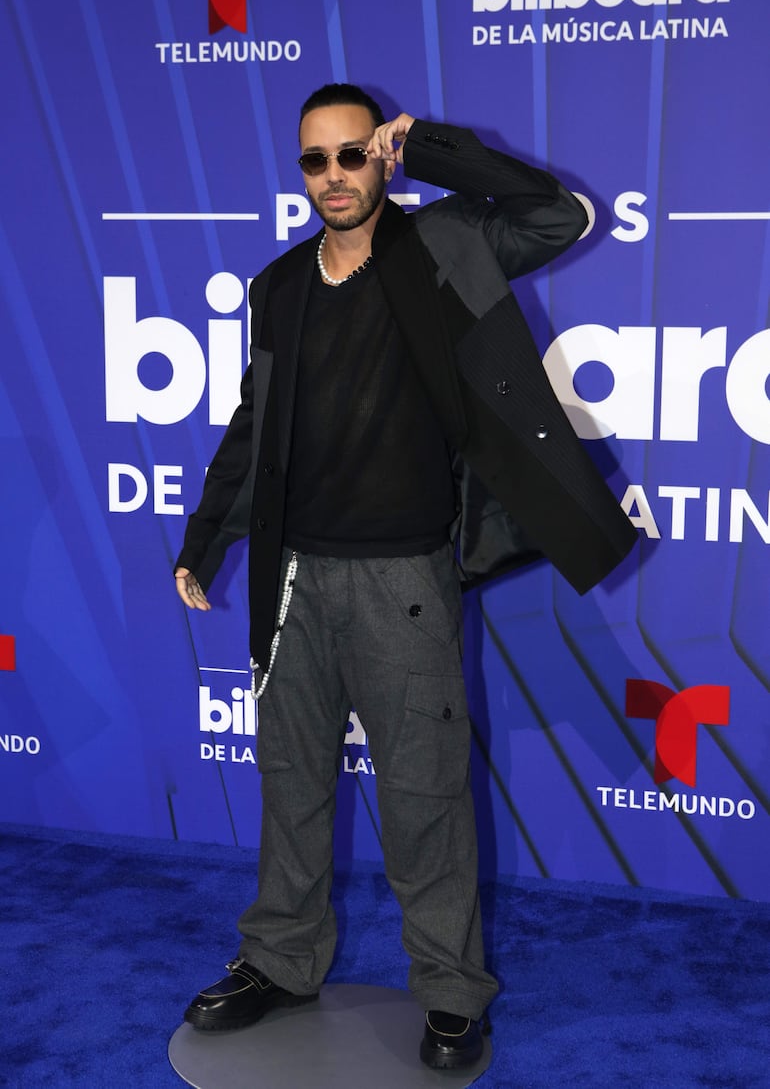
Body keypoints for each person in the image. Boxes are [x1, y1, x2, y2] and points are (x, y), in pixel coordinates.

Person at [173, 83, 637, 1070]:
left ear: (379, 161)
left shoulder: (446, 249)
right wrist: (201, 542)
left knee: (423, 799)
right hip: (295, 579)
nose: (333, 176)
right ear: (298, 171)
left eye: (353, 155)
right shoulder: (278, 286)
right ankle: (278, 960)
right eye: (315, 160)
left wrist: (435, 148)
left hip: (405, 579)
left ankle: (451, 994)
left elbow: (557, 213)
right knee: (290, 787)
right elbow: (253, 428)